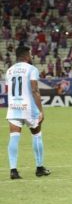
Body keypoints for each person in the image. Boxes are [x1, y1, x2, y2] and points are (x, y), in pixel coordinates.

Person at [5, 46, 51, 179]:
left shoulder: (9, 71)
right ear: (26, 56)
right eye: (30, 54)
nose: (31, 56)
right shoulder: (32, 69)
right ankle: (39, 167)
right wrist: (41, 110)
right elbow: (35, 90)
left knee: (14, 137)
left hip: (14, 107)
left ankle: (13, 170)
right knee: (36, 135)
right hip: (29, 108)